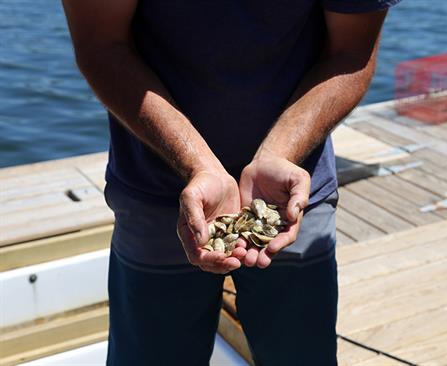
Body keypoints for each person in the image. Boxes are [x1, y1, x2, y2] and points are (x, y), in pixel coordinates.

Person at [62, 0, 399, 364]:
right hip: (156, 191)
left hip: (290, 196)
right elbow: (101, 46)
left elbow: (351, 54)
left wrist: (278, 154)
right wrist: (198, 164)